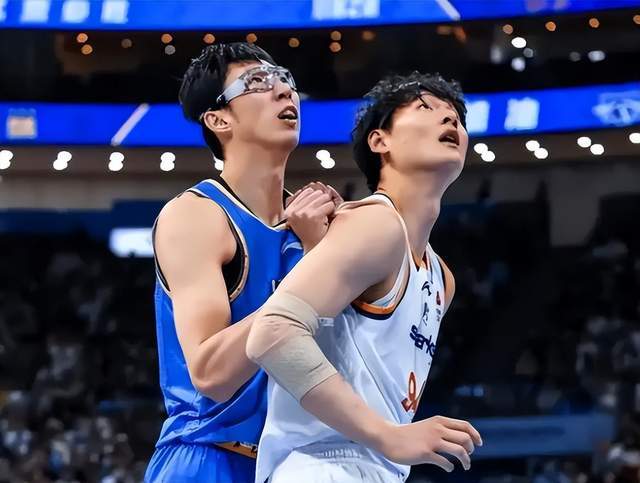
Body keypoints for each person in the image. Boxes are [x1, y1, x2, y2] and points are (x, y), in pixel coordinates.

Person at [247, 72, 482, 483]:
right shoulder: (374, 223)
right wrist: (389, 436)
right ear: (380, 141)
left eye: (457, 118)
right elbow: (273, 332)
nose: (450, 120)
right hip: (322, 464)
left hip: (373, 466)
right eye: (426, 108)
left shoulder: (441, 278)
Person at [145, 42, 341, 483]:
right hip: (209, 456)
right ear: (219, 119)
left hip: (293, 462)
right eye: (257, 83)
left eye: (285, 80)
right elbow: (211, 372)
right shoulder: (197, 215)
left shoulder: (313, 224)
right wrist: (317, 265)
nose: (284, 91)